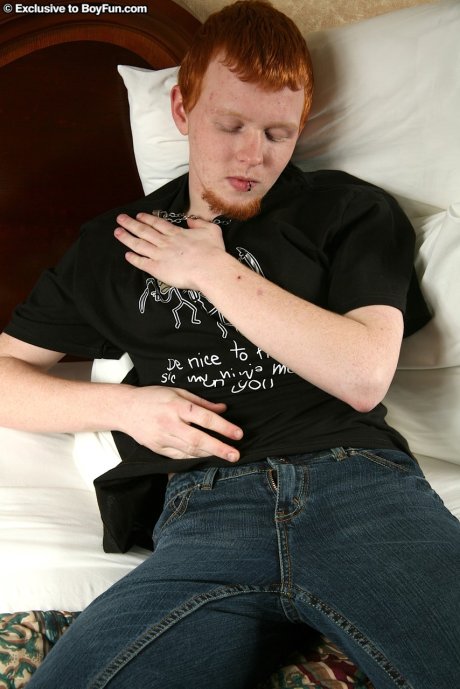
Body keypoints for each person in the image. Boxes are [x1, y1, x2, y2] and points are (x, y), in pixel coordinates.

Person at [0, 1, 459, 687]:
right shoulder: (115, 242)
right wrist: (126, 409)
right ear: (182, 110)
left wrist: (211, 269)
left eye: (277, 132)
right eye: (230, 124)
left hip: (360, 487)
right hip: (205, 511)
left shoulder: (346, 209)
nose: (253, 155)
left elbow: (364, 373)